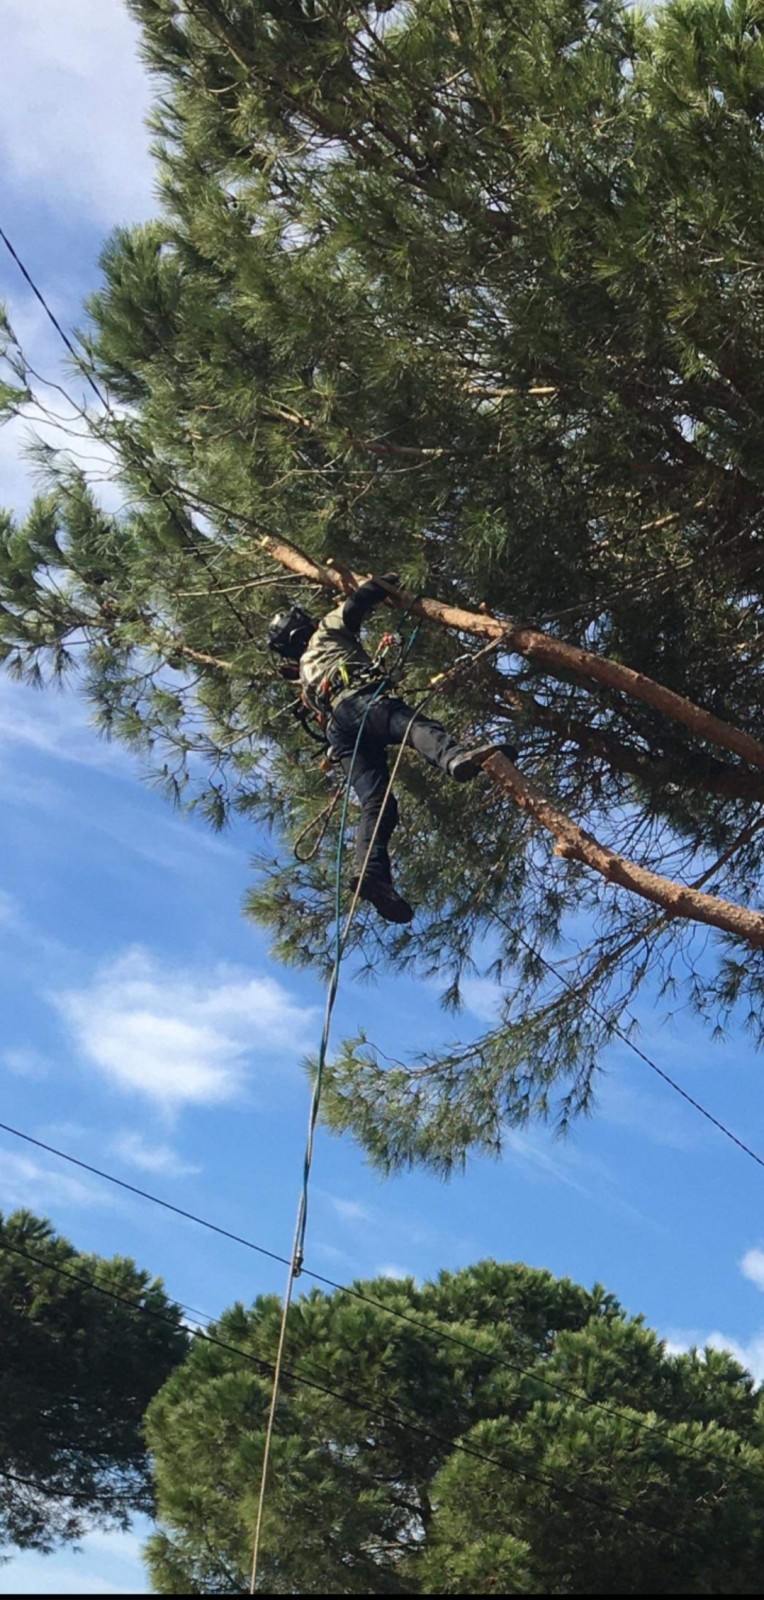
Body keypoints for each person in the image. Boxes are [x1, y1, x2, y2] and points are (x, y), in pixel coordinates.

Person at [267, 574, 516, 924]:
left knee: (377, 802)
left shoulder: (304, 679)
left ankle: (371, 874)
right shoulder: (325, 631)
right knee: (413, 726)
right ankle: (454, 758)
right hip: (358, 702)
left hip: (340, 734)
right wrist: (386, 582)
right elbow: (358, 603)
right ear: (304, 625)